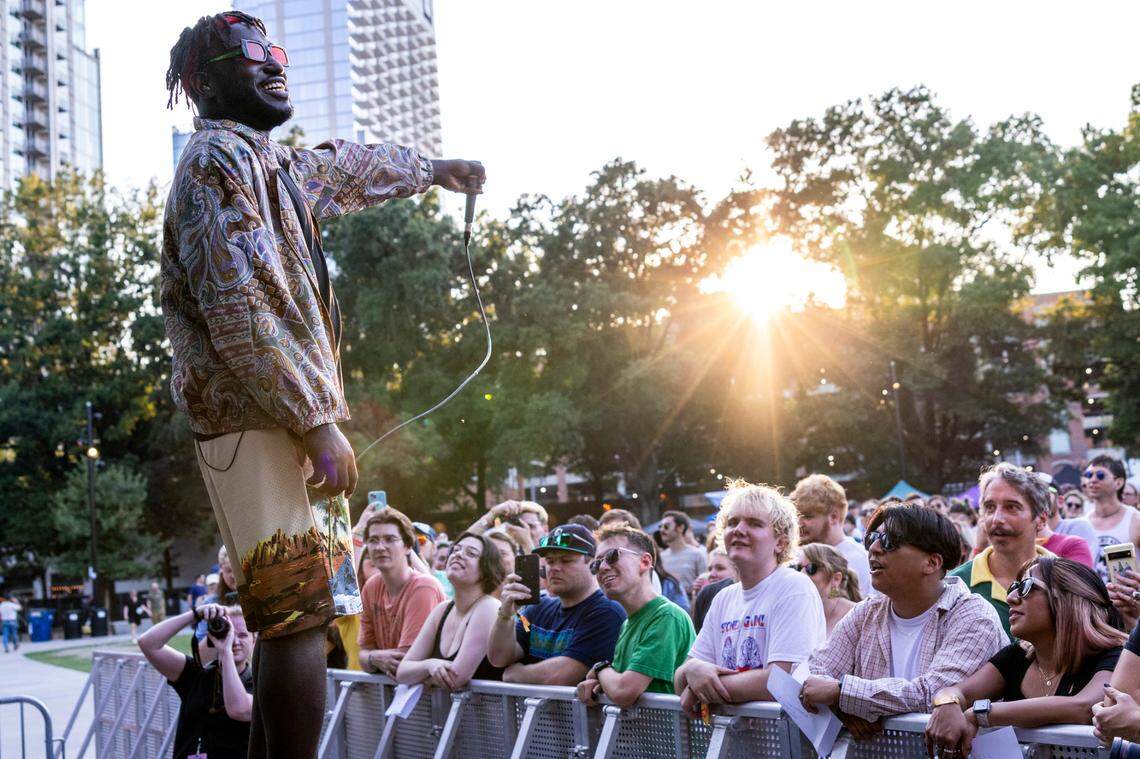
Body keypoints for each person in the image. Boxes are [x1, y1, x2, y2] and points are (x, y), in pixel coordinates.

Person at [162, 9, 485, 754]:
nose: (275, 62)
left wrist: (434, 171)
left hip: (268, 417)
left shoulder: (265, 162)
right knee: (300, 618)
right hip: (253, 421)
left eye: (277, 50)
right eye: (253, 54)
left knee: (287, 620)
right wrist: (313, 418)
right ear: (202, 82)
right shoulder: (215, 162)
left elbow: (346, 167)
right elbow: (241, 302)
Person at [801, 502, 1007, 726]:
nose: (874, 548)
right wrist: (841, 708)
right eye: (872, 539)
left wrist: (844, 694)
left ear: (932, 562)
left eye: (889, 541)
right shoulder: (867, 612)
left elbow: (935, 695)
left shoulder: (973, 617)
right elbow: (815, 672)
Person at [925, 557, 1126, 757]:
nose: (1011, 597)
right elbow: (958, 692)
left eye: (1026, 587)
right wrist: (947, 703)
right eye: (1013, 587)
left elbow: (1084, 708)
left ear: (1067, 597)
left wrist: (980, 714)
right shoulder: (1017, 655)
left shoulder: (1115, 656)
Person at [674, 482, 825, 716]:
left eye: (754, 524)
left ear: (781, 542)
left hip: (783, 744)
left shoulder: (793, 587)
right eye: (732, 522)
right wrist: (693, 669)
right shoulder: (723, 598)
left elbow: (779, 681)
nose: (739, 530)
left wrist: (699, 688)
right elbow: (681, 678)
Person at [488, 524, 626, 685]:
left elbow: (560, 676)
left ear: (593, 564)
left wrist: (515, 674)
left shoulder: (606, 612)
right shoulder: (537, 609)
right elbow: (499, 657)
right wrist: (505, 615)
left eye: (566, 560)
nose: (554, 568)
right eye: (550, 561)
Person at [576, 525, 695, 707]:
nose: (603, 567)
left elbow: (624, 692)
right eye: (596, 563)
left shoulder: (666, 616)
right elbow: (620, 684)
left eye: (612, 556)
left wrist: (600, 669)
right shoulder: (628, 623)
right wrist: (600, 686)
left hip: (667, 735)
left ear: (645, 562)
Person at [138, 602, 256, 759]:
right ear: (213, 637)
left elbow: (239, 709)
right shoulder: (196, 675)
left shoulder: (259, 683)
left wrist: (225, 652)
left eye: (242, 635)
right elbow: (147, 643)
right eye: (228, 633)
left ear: (254, 640)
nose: (234, 641)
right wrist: (195, 614)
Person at [949, 463, 1053, 636]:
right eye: (990, 507)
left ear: (1041, 519)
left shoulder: (1067, 581)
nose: (997, 519)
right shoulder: (956, 587)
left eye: (1011, 507)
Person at [397, 532, 505, 688]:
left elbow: (455, 678)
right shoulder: (441, 610)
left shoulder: (489, 607)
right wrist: (430, 664)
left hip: (484, 711)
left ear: (486, 570)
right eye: (456, 550)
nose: (459, 554)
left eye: (471, 553)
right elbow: (402, 672)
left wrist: (420, 679)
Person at [357, 510, 445, 677]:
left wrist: (372, 658)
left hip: (431, 696)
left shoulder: (424, 587)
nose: (380, 547)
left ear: (407, 546)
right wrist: (374, 657)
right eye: (373, 540)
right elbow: (362, 656)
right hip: (394, 692)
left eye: (390, 539)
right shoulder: (371, 587)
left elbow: (405, 663)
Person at [792, 474, 873, 596]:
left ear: (833, 517)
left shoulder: (863, 562)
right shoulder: (794, 559)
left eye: (807, 516)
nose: (799, 523)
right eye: (796, 516)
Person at [1085, 455, 1140, 584]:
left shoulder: (1136, 520)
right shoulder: (1082, 524)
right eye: (1088, 475)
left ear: (1118, 483)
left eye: (1100, 475)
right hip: (1093, 602)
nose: (1092, 480)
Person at [796, 543, 862, 636]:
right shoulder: (798, 612)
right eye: (798, 568)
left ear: (836, 579)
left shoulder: (858, 615)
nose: (801, 574)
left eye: (811, 568)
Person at [657, 511, 708, 597]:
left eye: (666, 526)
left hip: (692, 607)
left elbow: (706, 584)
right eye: (660, 527)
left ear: (680, 528)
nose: (662, 530)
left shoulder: (697, 554)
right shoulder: (661, 557)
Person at [1050, 487, 1100, 567]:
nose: (1073, 508)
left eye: (1077, 506)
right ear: (1063, 504)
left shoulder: (1083, 525)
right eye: (1069, 504)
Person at [468, 500, 549, 551]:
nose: (525, 531)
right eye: (521, 526)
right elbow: (466, 540)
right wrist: (492, 514)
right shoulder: (507, 553)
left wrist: (527, 544)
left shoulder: (554, 554)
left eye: (531, 526)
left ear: (545, 529)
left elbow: (538, 576)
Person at [691, 548, 737, 633]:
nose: (712, 574)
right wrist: (696, 597)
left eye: (720, 568)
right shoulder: (705, 594)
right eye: (710, 569)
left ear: (736, 570)